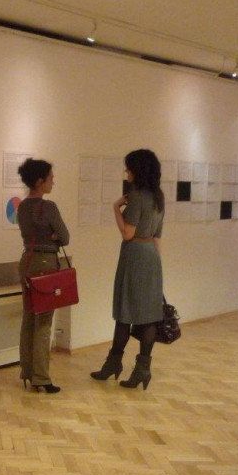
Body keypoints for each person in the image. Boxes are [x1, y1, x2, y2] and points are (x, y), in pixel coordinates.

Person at [91, 149, 165, 390]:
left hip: (135, 255)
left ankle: (113, 363)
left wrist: (115, 208)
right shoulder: (158, 197)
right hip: (151, 257)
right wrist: (156, 267)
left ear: (137, 170)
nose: (126, 172)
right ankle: (142, 369)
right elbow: (158, 236)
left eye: (129, 168)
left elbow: (127, 233)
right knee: (148, 315)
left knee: (125, 312)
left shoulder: (135, 197)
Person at [16, 158, 69, 394]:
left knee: (29, 318)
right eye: (50, 178)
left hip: (26, 261)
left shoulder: (22, 206)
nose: (53, 182)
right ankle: (41, 377)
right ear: (40, 181)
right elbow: (65, 237)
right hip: (46, 262)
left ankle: (27, 372)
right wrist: (53, 237)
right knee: (44, 322)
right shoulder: (49, 207)